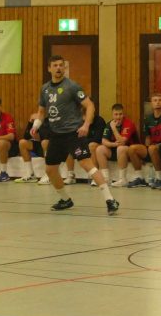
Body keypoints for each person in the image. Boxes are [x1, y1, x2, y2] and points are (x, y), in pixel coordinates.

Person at [32, 55, 118, 214]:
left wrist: (86, 125)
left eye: (61, 65)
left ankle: (110, 200)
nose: (58, 68)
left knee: (86, 164)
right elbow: (42, 111)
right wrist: (36, 125)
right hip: (56, 135)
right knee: (50, 170)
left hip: (73, 134)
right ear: (49, 68)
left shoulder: (71, 86)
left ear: (64, 68)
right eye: (55, 65)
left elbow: (90, 105)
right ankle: (65, 199)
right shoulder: (45, 89)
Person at [128, 93, 161, 188]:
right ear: (151, 103)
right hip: (152, 147)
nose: (157, 102)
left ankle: (159, 179)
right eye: (155, 100)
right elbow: (147, 138)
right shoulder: (148, 119)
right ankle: (140, 178)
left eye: (160, 100)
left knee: (152, 148)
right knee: (132, 149)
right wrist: (145, 154)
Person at [95, 103, 140, 187]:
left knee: (121, 148)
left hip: (130, 152)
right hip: (115, 149)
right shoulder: (109, 124)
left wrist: (114, 128)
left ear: (123, 114)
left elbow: (122, 142)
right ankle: (106, 179)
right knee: (99, 149)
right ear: (112, 115)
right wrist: (113, 144)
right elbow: (104, 141)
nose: (118, 117)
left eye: (120, 114)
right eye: (116, 114)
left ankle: (123, 179)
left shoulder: (128, 123)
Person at [15, 113, 50, 183]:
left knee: (45, 142)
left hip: (50, 146)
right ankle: (30, 175)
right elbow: (26, 136)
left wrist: (40, 137)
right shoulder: (37, 119)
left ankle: (49, 174)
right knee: (22, 143)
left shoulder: (51, 119)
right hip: (39, 145)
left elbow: (50, 136)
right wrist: (30, 122)